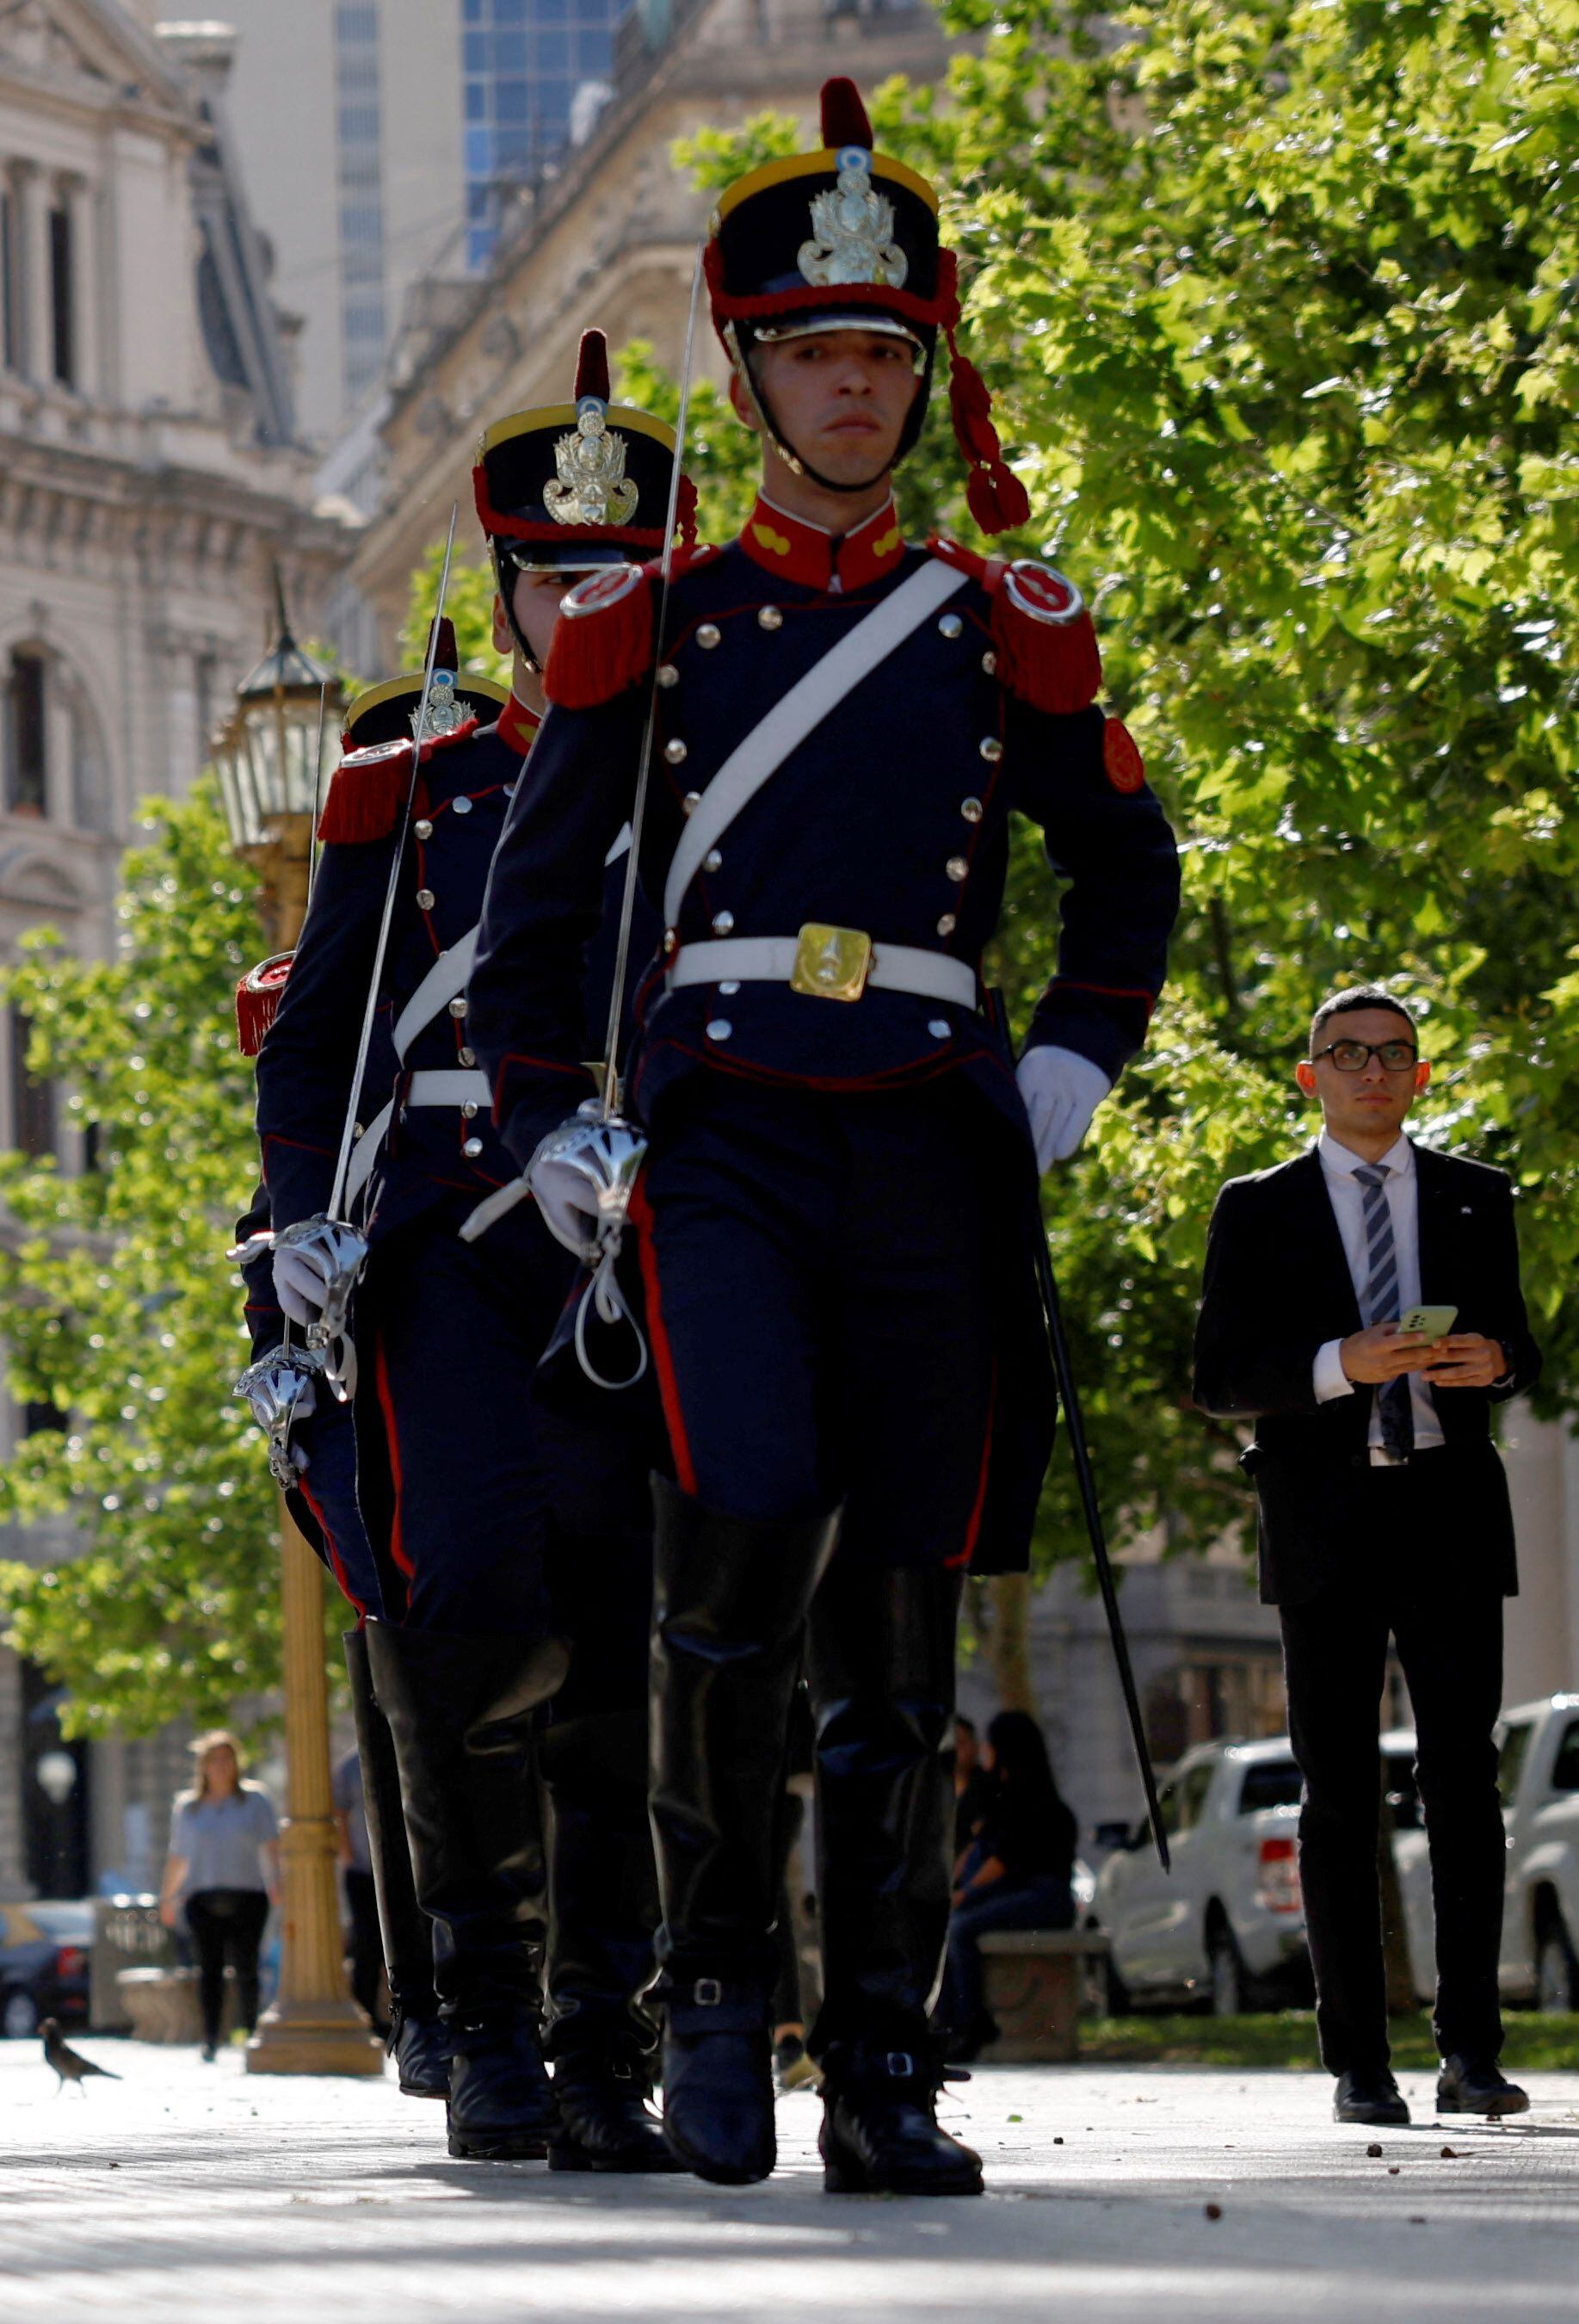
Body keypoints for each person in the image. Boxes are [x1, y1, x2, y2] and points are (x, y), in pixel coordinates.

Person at [469, 81, 1180, 2195]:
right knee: (742, 1528)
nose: (855, 390)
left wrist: (1076, 1050)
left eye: (885, 356)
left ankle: (880, 2048)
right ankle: (710, 1992)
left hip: (939, 1136)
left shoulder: (999, 624)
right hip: (728, 1131)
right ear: (753, 372)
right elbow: (529, 922)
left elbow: (1124, 872)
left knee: (899, 1599)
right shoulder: (653, 628)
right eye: (816, 357)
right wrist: (548, 1130)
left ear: (919, 374)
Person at [261, 333, 684, 2172]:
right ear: (501, 592)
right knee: (471, 1605)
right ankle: (484, 2007)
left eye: (613, 574)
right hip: (450, 1240)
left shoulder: (705, 771)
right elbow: (313, 1040)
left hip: (650, 1238)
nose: (578, 600)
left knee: (625, 1646)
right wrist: (289, 1232)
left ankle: (606, 2042)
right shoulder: (404, 787)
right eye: (549, 575)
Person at [1191, 988, 1539, 2123]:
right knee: (1334, 1793)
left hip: (1448, 1511)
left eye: (1391, 1054)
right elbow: (1217, 1377)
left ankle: (1470, 2054)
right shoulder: (1254, 1208)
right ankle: (1355, 2063)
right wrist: (1340, 1360)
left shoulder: (1475, 1197)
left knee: (1461, 1782)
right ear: (1309, 1077)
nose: (1370, 1071)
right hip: (1322, 1520)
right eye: (1346, 1053)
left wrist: (1489, 1357)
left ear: (1419, 1074)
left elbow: (1518, 1346)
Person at [935, 1711, 1078, 2055]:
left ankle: (970, 2024)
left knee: (961, 1927)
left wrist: (964, 1895)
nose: (985, 1750)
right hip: (1023, 1893)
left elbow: (1002, 1862)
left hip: (1045, 1897)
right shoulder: (1002, 1793)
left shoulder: (1031, 1800)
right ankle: (947, 2025)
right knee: (949, 1925)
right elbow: (977, 1851)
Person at [160, 1736, 281, 2056]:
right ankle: (210, 2038)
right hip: (203, 1896)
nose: (221, 1766)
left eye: (227, 1758)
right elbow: (177, 1857)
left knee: (247, 1968)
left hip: (248, 1894)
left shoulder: (255, 1801)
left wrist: (280, 1883)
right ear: (202, 1765)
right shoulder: (188, 1807)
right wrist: (168, 1897)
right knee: (209, 1970)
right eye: (213, 1759)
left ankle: (250, 2031)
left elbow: (272, 1846)